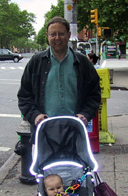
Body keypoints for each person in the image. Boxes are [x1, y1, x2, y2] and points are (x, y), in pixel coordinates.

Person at [17, 16, 101, 145]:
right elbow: (24, 96)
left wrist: (85, 114)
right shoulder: (36, 62)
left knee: (74, 166)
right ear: (47, 36)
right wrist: (35, 116)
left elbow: (94, 94)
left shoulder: (82, 62)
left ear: (68, 35)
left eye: (61, 34)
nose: (57, 38)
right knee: (44, 166)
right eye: (53, 34)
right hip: (44, 133)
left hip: (75, 132)